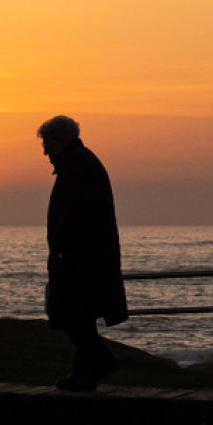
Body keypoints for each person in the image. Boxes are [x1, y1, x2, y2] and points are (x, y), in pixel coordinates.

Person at [38, 115, 128, 392]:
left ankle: (101, 361)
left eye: (47, 144)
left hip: (80, 258)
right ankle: (83, 375)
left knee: (71, 316)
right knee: (80, 317)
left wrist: (62, 247)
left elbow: (76, 212)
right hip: (88, 256)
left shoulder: (75, 165)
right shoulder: (79, 162)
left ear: (59, 140)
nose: (44, 151)